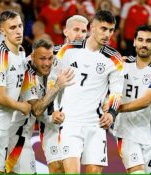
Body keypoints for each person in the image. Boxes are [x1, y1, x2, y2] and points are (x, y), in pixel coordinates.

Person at [50, 10, 124, 173]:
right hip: (70, 123)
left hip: (96, 125)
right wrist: (53, 110)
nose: (107, 34)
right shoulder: (67, 50)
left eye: (111, 30)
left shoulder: (114, 59)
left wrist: (111, 113)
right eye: (103, 29)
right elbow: (52, 81)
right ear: (92, 27)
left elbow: (117, 92)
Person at [5, 39, 74, 174]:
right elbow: (36, 109)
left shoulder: (43, 73)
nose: (47, 63)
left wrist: (52, 115)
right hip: (13, 134)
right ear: (32, 56)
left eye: (50, 58)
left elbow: (40, 109)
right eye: (42, 59)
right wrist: (57, 87)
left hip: (20, 134)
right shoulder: (26, 73)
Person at [113, 24, 151, 174]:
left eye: (148, 41)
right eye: (140, 39)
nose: (144, 44)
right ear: (134, 41)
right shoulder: (122, 64)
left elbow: (146, 101)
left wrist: (116, 109)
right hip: (126, 133)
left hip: (150, 137)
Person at [41, 14, 89, 173]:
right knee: (56, 167)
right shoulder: (51, 53)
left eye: (84, 30)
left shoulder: (92, 58)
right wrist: (51, 111)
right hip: (52, 120)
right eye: (76, 29)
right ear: (65, 31)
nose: (80, 34)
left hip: (76, 123)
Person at [0, 10, 32, 174]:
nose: (18, 31)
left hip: (3, 126)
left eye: (20, 26)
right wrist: (21, 107)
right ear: (2, 31)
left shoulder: (21, 53)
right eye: (12, 27)